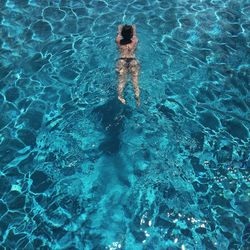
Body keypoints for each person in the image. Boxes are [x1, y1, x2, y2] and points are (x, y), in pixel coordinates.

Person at [115, 24, 140, 107]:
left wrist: (121, 29)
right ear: (131, 34)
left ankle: (120, 97)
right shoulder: (135, 40)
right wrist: (132, 28)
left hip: (122, 61)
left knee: (121, 81)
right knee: (135, 82)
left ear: (122, 33)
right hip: (133, 61)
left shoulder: (118, 40)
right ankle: (137, 99)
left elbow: (119, 28)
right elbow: (134, 29)